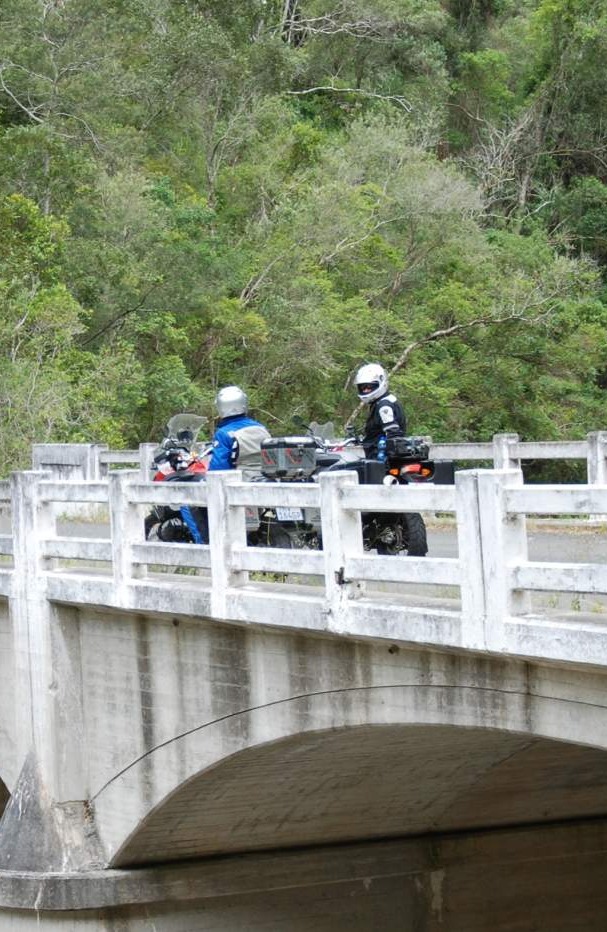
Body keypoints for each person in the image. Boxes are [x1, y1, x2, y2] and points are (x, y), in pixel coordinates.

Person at [208, 385, 271, 479]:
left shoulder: (223, 433)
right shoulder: (261, 428)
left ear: (221, 407)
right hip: (267, 478)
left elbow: (218, 469)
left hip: (240, 483)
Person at [354, 363, 406, 459]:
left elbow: (393, 432)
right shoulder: (386, 400)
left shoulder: (384, 406)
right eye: (362, 388)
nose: (365, 391)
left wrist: (386, 455)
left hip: (380, 459)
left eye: (369, 387)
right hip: (380, 456)